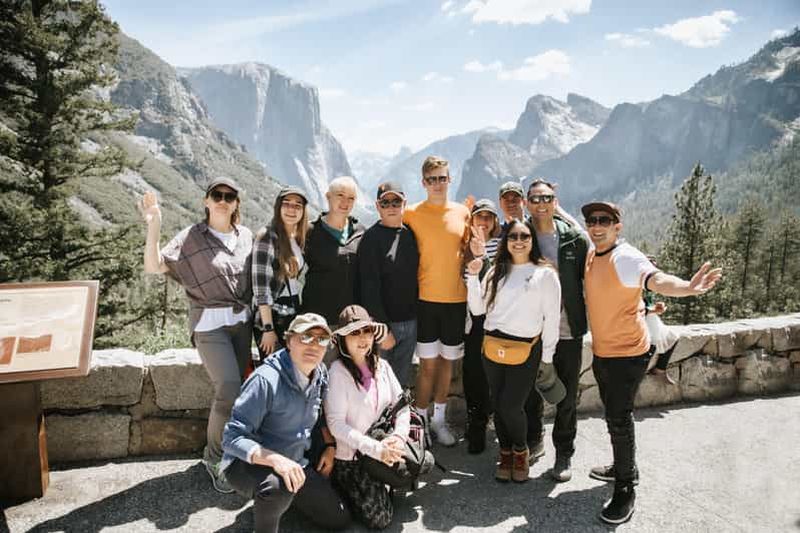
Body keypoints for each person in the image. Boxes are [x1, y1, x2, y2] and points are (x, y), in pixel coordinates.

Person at [581, 201, 721, 524]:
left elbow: (656, 280)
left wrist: (687, 287)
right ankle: (622, 466)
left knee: (619, 418)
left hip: (627, 355)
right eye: (591, 220)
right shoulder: (593, 252)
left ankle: (626, 488)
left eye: (604, 220)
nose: (596, 225)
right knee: (613, 413)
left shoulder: (625, 257)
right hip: (604, 352)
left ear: (618, 226)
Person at [140, 177, 253, 494]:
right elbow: (154, 266)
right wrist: (154, 224)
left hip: (243, 324)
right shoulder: (191, 237)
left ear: (235, 203)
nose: (223, 200)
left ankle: (233, 449)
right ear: (206, 201)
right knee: (229, 388)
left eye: (229, 196)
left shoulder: (245, 236)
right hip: (209, 325)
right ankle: (214, 458)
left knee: (239, 392)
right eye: (217, 195)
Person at [221, 313, 350, 533]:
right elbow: (231, 438)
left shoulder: (320, 375)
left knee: (338, 519)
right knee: (277, 487)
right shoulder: (265, 380)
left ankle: (283, 502)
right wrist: (276, 461)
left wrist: (329, 446)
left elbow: (318, 418)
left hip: (295, 462)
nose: (314, 345)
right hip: (246, 464)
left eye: (321, 339)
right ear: (289, 340)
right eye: (306, 337)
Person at [466, 219, 561, 482]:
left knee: (511, 405)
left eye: (525, 236)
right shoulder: (495, 270)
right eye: (513, 236)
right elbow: (477, 310)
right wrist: (473, 276)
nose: (519, 241)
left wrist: (547, 357)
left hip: (526, 347)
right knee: (497, 403)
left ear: (532, 241)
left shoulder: (545, 274)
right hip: (493, 345)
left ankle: (520, 449)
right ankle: (505, 452)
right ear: (506, 241)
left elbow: (551, 319)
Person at [523, 178, 590, 481]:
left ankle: (564, 454)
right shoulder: (521, 235)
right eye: (535, 199)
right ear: (527, 202)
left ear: (555, 200)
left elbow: (589, 276)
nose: (540, 204)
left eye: (546, 198)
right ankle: (533, 442)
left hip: (567, 329)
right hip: (531, 330)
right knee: (530, 392)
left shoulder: (573, 237)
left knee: (566, 394)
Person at [402, 156, 471, 446]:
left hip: (456, 301)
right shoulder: (411, 214)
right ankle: (417, 424)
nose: (438, 184)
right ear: (423, 183)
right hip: (425, 301)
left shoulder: (462, 213)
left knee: (447, 365)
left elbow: (470, 250)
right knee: (428, 366)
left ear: (449, 180)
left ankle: (439, 422)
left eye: (442, 178)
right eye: (432, 179)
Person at [325, 305, 409, 529]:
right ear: (342, 339)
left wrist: (399, 438)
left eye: (367, 331)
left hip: (385, 442)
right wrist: (375, 449)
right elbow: (336, 425)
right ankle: (350, 490)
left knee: (423, 462)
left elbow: (402, 407)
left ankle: (383, 481)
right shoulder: (337, 373)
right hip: (353, 459)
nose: (363, 338)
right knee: (382, 518)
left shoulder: (383, 366)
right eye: (355, 333)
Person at [357, 182, 419, 387]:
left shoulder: (411, 234)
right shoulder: (371, 239)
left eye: (396, 201)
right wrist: (382, 328)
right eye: (386, 202)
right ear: (378, 206)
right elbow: (368, 286)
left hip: (410, 323)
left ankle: (395, 419)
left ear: (404, 204)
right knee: (378, 382)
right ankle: (377, 420)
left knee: (399, 383)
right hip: (385, 325)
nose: (391, 206)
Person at [461, 199, 501, 454]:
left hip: (499, 319)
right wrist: (476, 253)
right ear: (472, 220)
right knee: (474, 373)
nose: (484, 221)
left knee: (497, 374)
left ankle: (497, 422)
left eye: (488, 217)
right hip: (476, 319)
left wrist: (483, 254)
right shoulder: (464, 247)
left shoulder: (504, 243)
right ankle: (476, 425)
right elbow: (467, 281)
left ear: (495, 221)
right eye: (479, 217)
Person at [302, 176, 366, 337]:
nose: (346, 202)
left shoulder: (360, 231)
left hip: (352, 321)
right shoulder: (310, 231)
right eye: (340, 195)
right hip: (319, 321)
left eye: (351, 198)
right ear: (328, 196)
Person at [252, 186, 309, 359]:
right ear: (278, 207)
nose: (292, 209)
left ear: (303, 211)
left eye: (297, 205)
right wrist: (267, 328)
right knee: (275, 372)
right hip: (272, 317)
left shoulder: (297, 239)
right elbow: (260, 288)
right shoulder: (267, 237)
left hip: (291, 311)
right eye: (287, 204)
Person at [643, 257, 679, 384]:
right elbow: (634, 309)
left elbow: (646, 304)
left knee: (672, 337)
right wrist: (653, 310)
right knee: (650, 345)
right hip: (640, 321)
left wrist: (656, 307)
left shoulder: (649, 285)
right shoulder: (635, 285)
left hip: (651, 319)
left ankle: (660, 370)